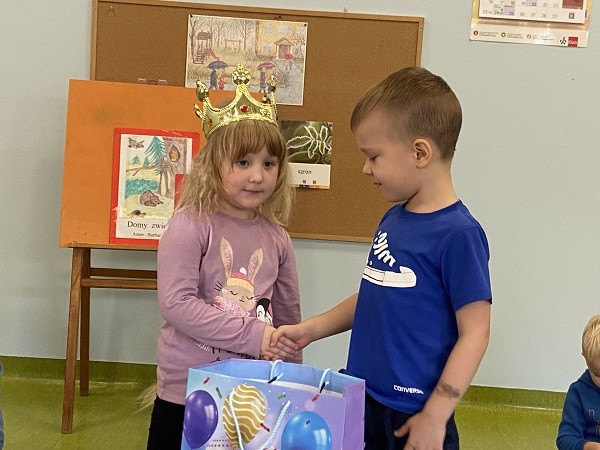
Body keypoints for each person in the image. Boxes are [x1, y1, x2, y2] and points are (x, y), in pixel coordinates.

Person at [272, 66, 492, 450]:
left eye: (373, 156)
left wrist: (436, 414)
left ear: (420, 152)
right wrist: (311, 329)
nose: (365, 168)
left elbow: (476, 332)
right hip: (363, 399)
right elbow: (377, 295)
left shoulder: (460, 235)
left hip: (413, 417)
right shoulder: (393, 218)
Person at [147, 65, 301, 449]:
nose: (257, 176)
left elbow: (287, 320)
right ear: (212, 165)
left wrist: (293, 380)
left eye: (268, 163)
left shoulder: (278, 239)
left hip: (252, 393)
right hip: (186, 391)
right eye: (243, 162)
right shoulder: (190, 224)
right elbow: (176, 304)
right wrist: (255, 336)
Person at [557, 314, 600, 449]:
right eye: (598, 374)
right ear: (585, 358)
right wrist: (588, 447)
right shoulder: (578, 393)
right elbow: (565, 439)